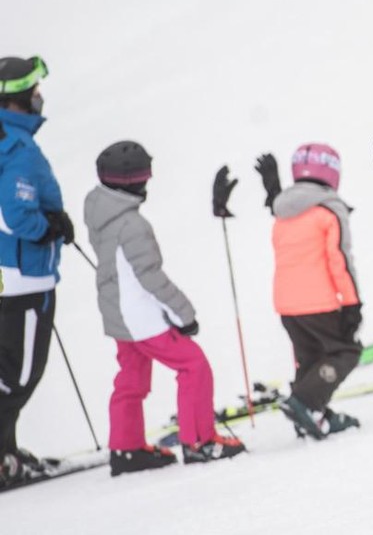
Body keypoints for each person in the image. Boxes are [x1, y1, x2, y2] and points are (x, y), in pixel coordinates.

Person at [83, 141, 246, 476]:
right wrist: (184, 315)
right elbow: (151, 278)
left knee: (131, 378)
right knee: (193, 365)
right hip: (140, 316)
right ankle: (200, 442)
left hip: (116, 312)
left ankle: (127, 449)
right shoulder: (132, 225)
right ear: (133, 182)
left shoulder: (98, 208)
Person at [252, 144, 363, 439]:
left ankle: (312, 415)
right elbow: (340, 259)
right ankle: (304, 403)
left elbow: (280, 211)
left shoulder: (283, 210)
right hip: (319, 301)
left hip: (287, 304)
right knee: (346, 352)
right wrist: (352, 304)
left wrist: (272, 190)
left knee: (310, 358)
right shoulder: (329, 210)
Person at [0, 56, 72, 486]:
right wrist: (50, 227)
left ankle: (5, 453)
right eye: (34, 92)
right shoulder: (17, 149)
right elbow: (15, 215)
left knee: (8, 373)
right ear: (19, 99)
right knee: (18, 376)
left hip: (8, 275)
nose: (40, 97)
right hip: (24, 278)